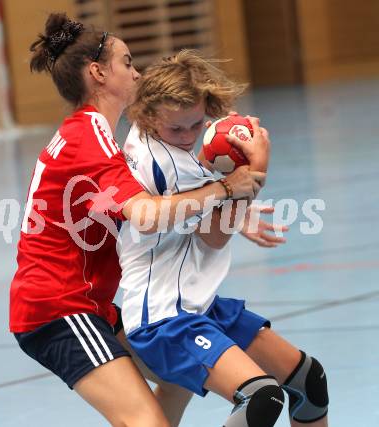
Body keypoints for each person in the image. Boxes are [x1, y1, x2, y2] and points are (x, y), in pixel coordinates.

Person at [9, 13, 267, 427]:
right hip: (59, 308)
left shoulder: (92, 135)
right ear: (98, 73)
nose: (137, 73)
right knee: (146, 422)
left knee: (178, 372)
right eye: (127, 63)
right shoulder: (89, 138)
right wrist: (225, 189)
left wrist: (230, 212)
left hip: (92, 304)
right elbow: (146, 215)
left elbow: (155, 204)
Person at [118, 50, 329, 427]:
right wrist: (253, 170)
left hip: (198, 304)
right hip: (166, 317)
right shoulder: (174, 166)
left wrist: (231, 203)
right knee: (261, 397)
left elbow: (203, 214)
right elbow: (215, 235)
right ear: (149, 115)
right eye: (176, 130)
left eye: (196, 125)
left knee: (306, 381)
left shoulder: (141, 132)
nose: (187, 137)